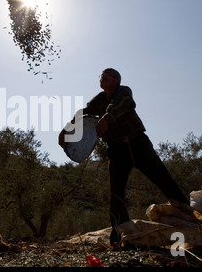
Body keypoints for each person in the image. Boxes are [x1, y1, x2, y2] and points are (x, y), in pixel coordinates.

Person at [58, 68, 189, 247]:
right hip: (117, 149)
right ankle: (120, 235)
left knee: (164, 181)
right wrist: (68, 128)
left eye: (106, 75)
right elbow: (85, 112)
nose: (102, 78)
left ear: (116, 80)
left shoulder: (124, 91)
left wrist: (106, 118)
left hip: (138, 144)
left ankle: (190, 220)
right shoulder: (99, 99)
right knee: (116, 194)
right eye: (101, 76)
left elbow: (124, 104)